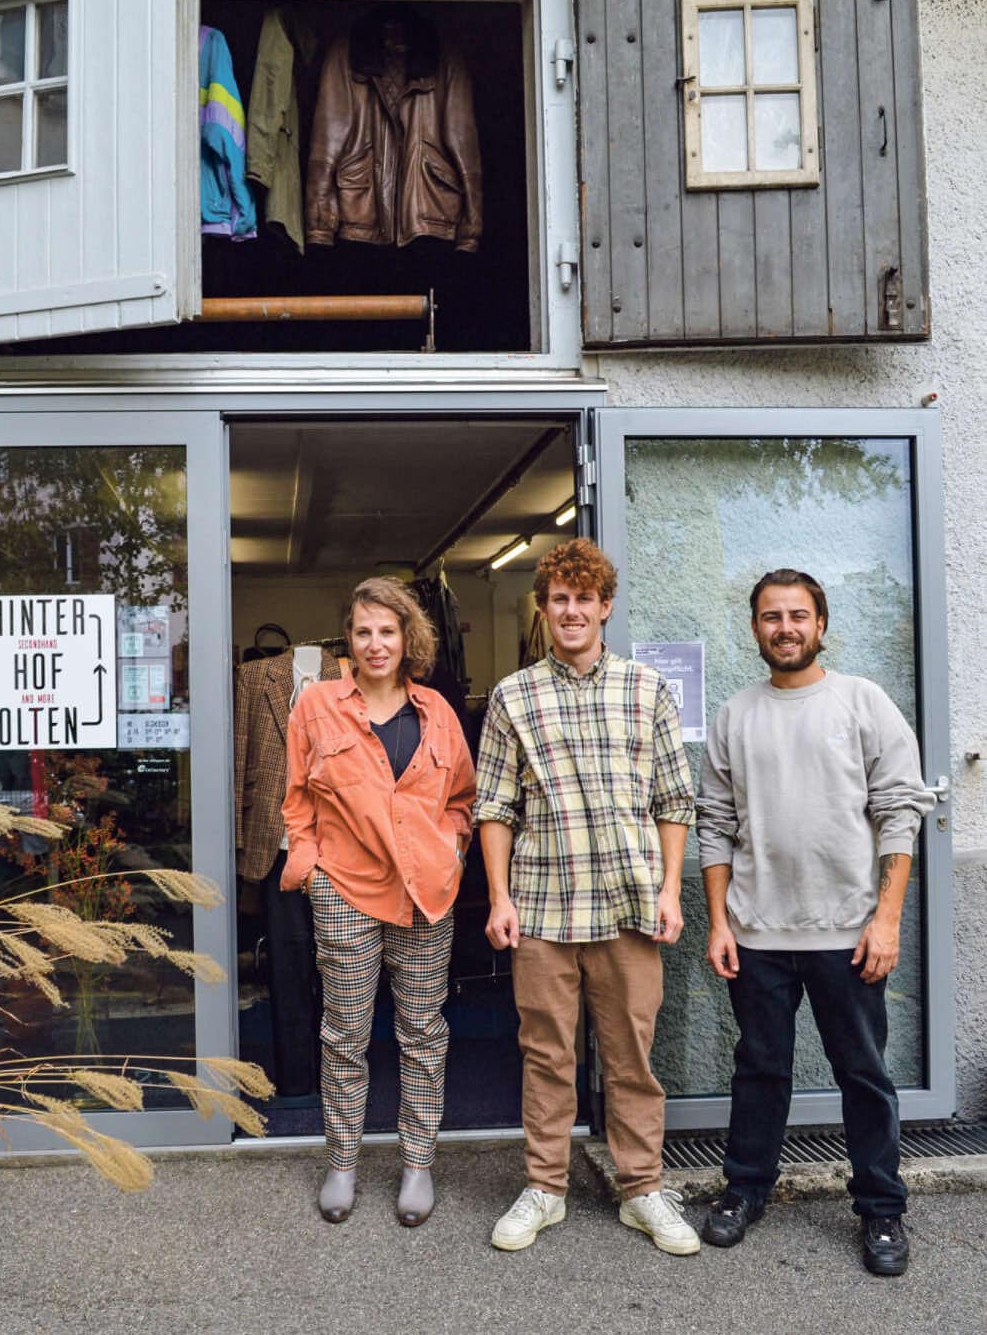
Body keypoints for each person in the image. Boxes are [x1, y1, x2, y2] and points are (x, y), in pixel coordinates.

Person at [697, 568, 936, 1276]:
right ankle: (745, 1189)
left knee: (863, 1073)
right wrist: (718, 923)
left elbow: (900, 810)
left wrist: (886, 920)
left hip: (848, 933)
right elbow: (714, 824)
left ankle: (881, 1208)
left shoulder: (861, 701)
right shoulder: (735, 715)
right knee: (759, 1069)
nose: (785, 628)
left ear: (820, 624)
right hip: (756, 932)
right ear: (754, 628)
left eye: (797, 615)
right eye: (771, 616)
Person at [474, 537, 700, 1256]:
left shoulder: (646, 689)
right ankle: (545, 1187)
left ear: (605, 607)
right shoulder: (513, 696)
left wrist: (671, 890)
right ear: (542, 609)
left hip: (630, 907)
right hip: (542, 908)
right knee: (545, 1056)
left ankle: (642, 1190)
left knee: (631, 1058)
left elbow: (674, 800)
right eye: (558, 599)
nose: (571, 611)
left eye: (584, 599)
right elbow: (493, 808)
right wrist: (499, 898)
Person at [281, 576, 475, 1226]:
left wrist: (452, 852)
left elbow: (462, 800)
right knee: (344, 1033)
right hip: (345, 889)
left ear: (406, 637)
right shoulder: (317, 706)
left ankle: (418, 1163)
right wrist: (312, 869)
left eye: (387, 631)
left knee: (422, 1031)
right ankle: (342, 1162)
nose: (375, 643)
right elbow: (295, 799)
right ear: (349, 638)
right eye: (363, 631)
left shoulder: (438, 712)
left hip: (425, 894)